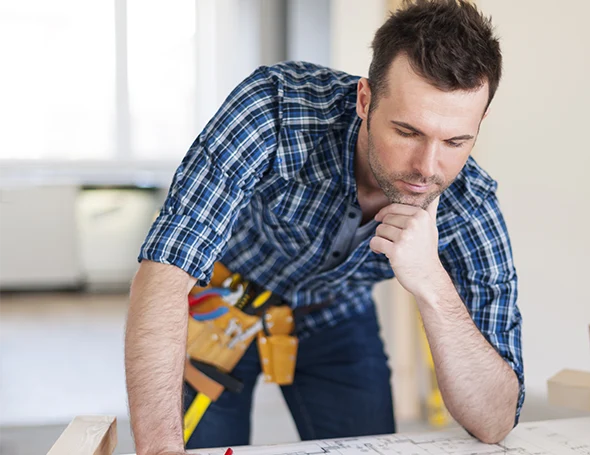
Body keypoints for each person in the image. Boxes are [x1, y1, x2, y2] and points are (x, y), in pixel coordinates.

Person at [124, 0, 523, 453]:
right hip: (221, 301)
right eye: (408, 132)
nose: (427, 169)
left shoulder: (471, 205)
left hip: (335, 313)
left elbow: (495, 421)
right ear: (365, 99)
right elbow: (163, 274)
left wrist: (432, 284)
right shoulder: (274, 108)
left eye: (455, 141)